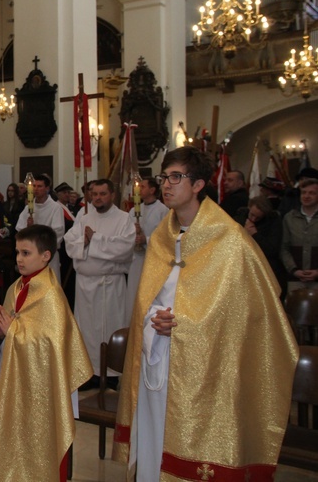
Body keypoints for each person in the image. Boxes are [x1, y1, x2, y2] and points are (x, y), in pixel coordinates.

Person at [113, 146, 298, 480]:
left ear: (198, 185)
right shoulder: (161, 238)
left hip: (207, 365)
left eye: (176, 177)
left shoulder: (230, 239)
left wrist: (184, 325)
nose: (166, 185)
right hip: (157, 352)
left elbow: (252, 310)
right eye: (164, 177)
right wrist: (153, 318)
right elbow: (151, 296)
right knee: (155, 442)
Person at [0, 225, 92, 481]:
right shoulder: (16, 287)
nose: (19, 258)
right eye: (18, 252)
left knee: (36, 439)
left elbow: (50, 344)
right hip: (14, 377)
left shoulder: (51, 294)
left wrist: (13, 332)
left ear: (46, 256)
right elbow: (10, 330)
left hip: (41, 388)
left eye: (26, 253)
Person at [64, 179, 134, 390]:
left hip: (109, 284)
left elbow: (124, 247)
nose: (98, 198)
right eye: (94, 194)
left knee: (109, 328)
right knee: (87, 330)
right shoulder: (84, 217)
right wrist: (84, 242)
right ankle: (88, 373)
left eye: (103, 193)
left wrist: (95, 239)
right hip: (85, 284)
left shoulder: (124, 219)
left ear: (112, 194)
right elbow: (70, 243)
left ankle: (110, 375)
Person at [125, 177, 169, 310]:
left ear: (152, 190)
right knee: (133, 294)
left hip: (152, 259)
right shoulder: (133, 211)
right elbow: (126, 232)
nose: (138, 190)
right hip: (136, 259)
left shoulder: (163, 210)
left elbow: (165, 236)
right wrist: (133, 232)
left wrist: (146, 240)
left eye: (142, 187)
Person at [16, 175, 66, 281]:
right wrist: (28, 228)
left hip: (47, 254)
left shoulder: (55, 208)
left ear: (47, 188)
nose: (36, 189)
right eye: (34, 186)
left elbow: (58, 232)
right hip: (30, 255)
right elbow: (20, 230)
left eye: (40, 186)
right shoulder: (28, 208)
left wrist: (36, 234)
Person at [236, 195, 287, 299]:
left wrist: (255, 234)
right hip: (244, 270)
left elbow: (272, 250)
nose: (253, 219)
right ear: (249, 207)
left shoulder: (273, 222)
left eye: (258, 217)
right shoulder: (239, 218)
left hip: (266, 271)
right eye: (252, 215)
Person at [281, 177, 318, 291]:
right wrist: (294, 270)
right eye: (304, 192)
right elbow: (284, 248)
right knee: (295, 308)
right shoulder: (289, 218)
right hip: (295, 279)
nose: (307, 196)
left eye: (312, 193)